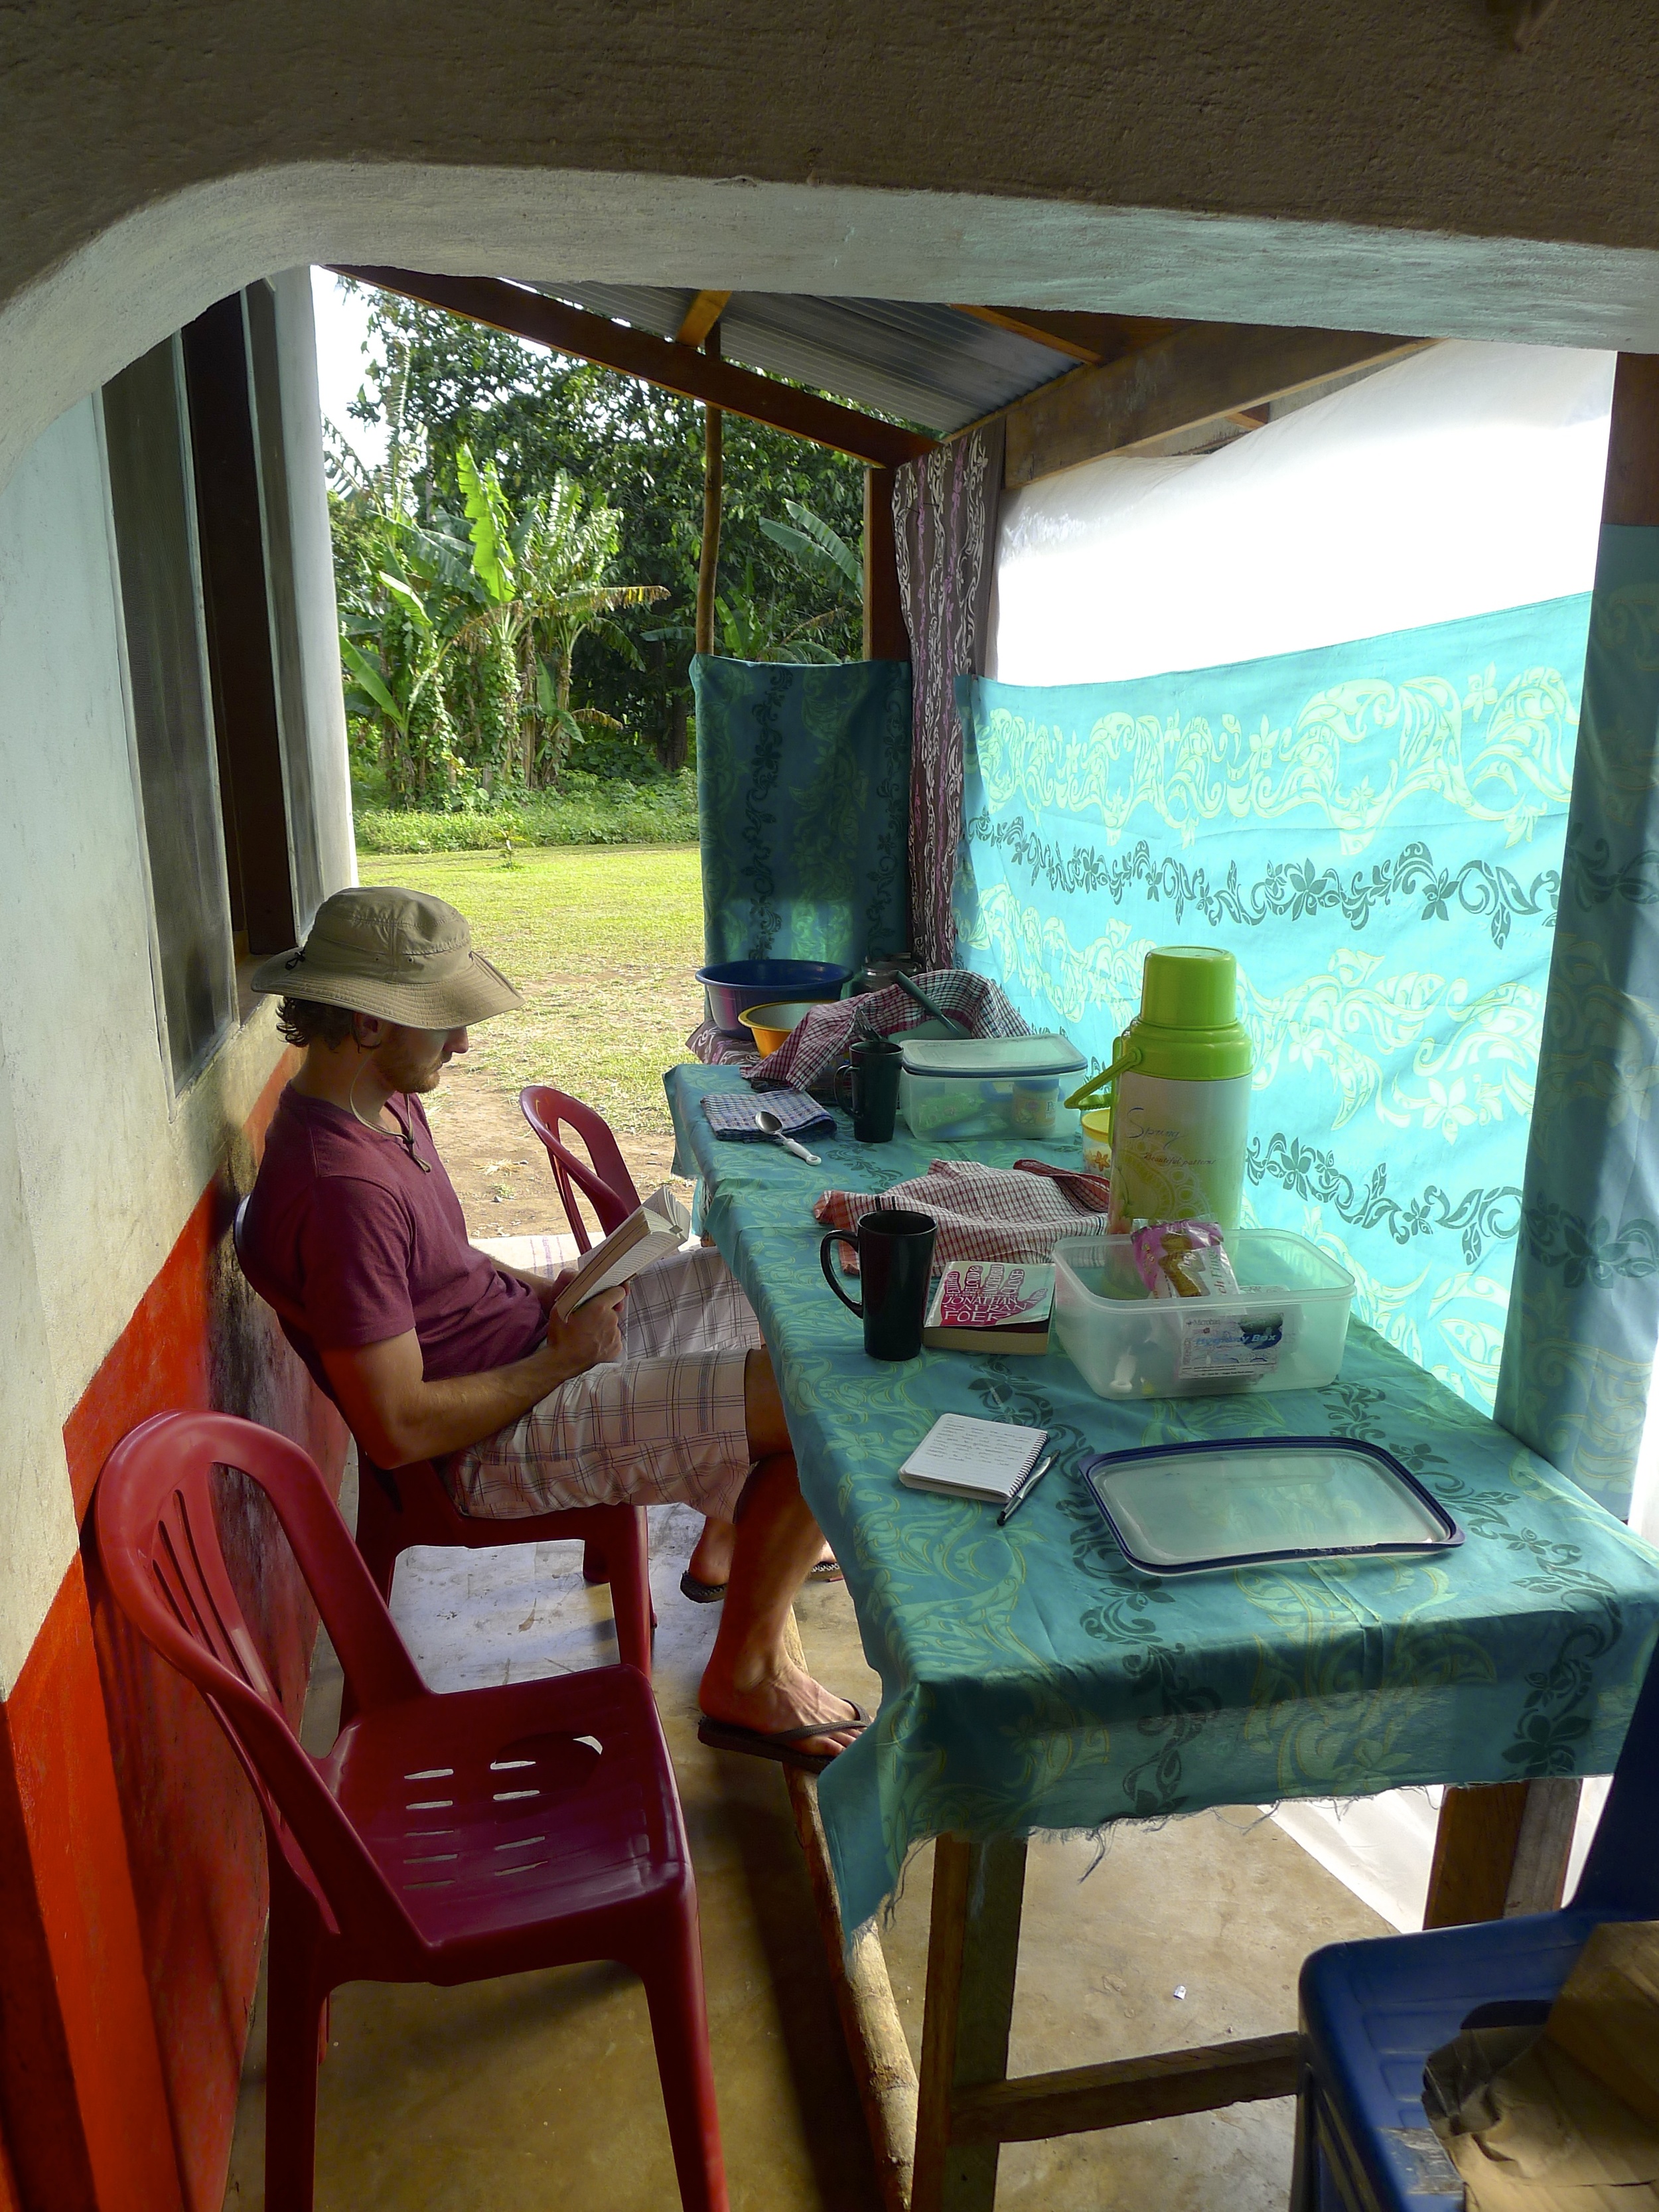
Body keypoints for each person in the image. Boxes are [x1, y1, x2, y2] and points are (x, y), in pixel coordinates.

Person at [239, 885, 864, 1769]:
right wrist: (562, 1358)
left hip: (532, 1351)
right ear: (370, 1022)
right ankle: (747, 1673)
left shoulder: (377, 1101)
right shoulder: (344, 1192)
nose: (461, 1041)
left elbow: (445, 1260)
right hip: (490, 1441)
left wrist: (549, 1292)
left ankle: (737, 1528)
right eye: (441, 1019)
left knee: (768, 1274)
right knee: (820, 1399)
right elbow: (397, 1428)